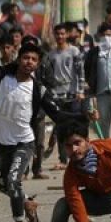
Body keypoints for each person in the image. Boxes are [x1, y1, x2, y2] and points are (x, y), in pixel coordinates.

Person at [0, 42, 60, 222]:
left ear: (38, 64)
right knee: (3, 186)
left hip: (24, 142)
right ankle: (27, 202)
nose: (29, 62)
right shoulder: (2, 78)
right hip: (2, 143)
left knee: (14, 181)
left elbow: (58, 113)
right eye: (26, 58)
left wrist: (83, 118)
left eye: (33, 60)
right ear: (18, 59)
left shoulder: (38, 89)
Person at [40, 23, 85, 168]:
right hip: (57, 96)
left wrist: (80, 90)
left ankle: (79, 155)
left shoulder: (74, 51)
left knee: (75, 127)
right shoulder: (51, 55)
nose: (60, 36)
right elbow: (48, 76)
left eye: (62, 34)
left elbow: (80, 72)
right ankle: (63, 159)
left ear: (67, 35)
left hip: (73, 95)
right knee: (61, 128)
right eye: (57, 34)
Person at [84, 23, 111, 139]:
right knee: (103, 127)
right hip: (102, 95)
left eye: (109, 35)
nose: (107, 38)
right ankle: (107, 149)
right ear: (99, 36)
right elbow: (87, 71)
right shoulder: (94, 53)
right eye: (104, 35)